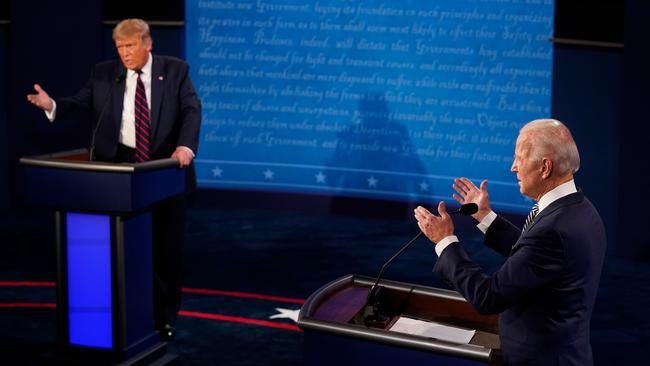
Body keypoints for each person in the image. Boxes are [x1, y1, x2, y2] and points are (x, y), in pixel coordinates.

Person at [26, 18, 202, 341]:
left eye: (130, 46)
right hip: (119, 173)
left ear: (147, 44)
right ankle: (125, 315)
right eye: (120, 47)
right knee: (122, 251)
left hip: (164, 170)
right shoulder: (105, 73)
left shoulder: (176, 70)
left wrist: (186, 144)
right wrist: (52, 105)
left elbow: (191, 109)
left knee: (165, 251)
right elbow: (79, 102)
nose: (124, 53)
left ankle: (164, 319)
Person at [414, 119, 605, 365]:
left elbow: (488, 297)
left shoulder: (553, 230)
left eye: (519, 158)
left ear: (545, 167)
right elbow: (534, 257)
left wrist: (445, 241)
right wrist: (484, 216)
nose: (513, 167)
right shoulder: (580, 209)